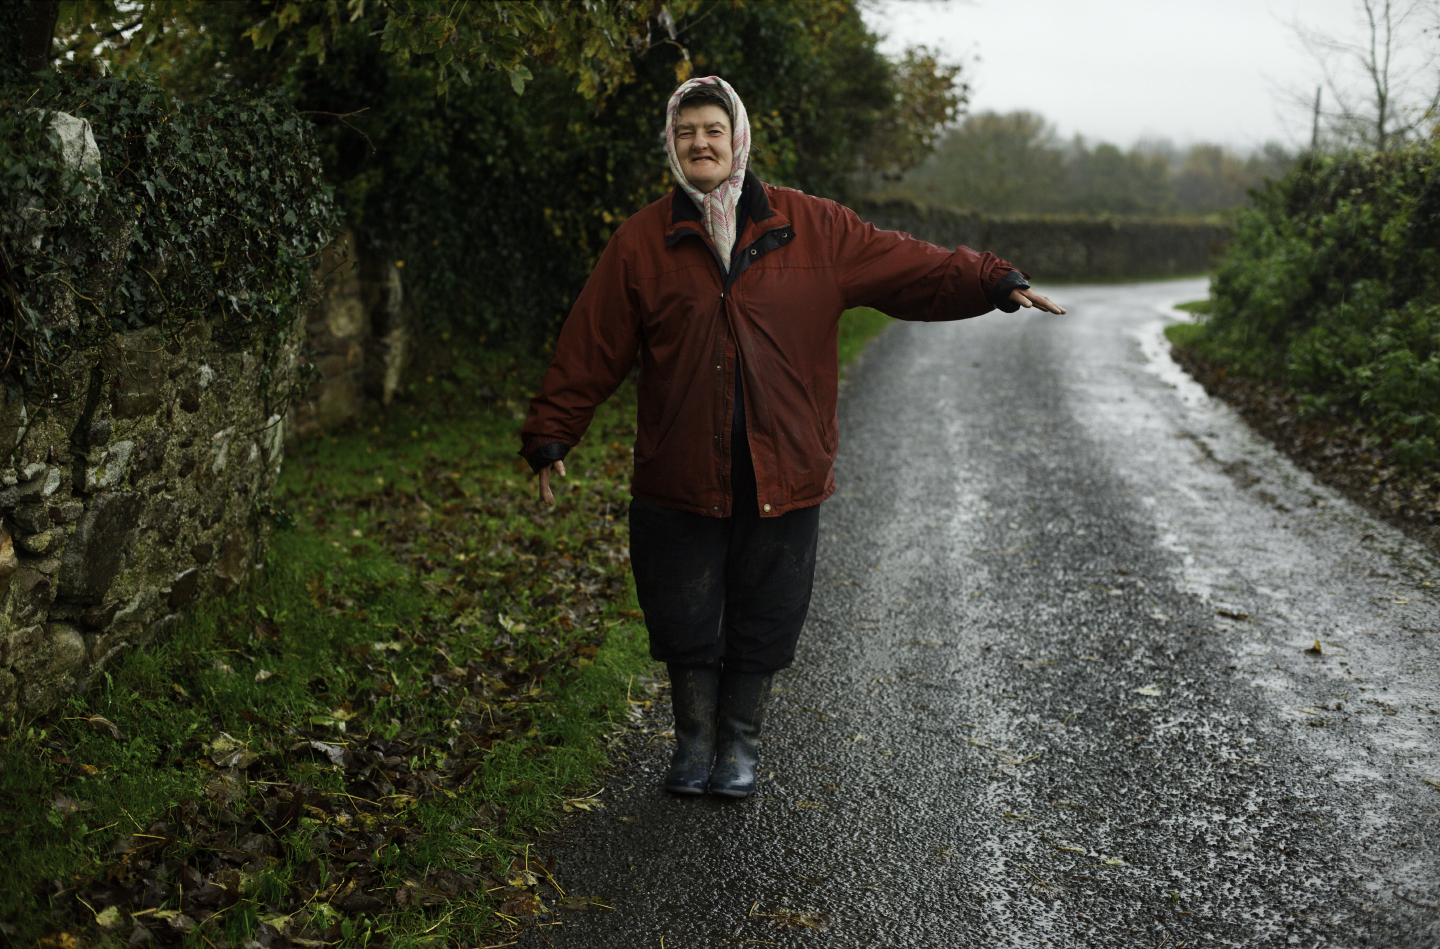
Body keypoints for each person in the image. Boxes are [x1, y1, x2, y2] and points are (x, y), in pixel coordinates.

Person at [519, 76, 1064, 800]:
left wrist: (992, 281)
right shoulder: (642, 241)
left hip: (783, 471)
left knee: (765, 611)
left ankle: (739, 746)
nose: (700, 143)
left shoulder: (815, 227)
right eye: (686, 133)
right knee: (681, 610)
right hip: (677, 471)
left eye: (713, 129)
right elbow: (593, 341)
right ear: (671, 145)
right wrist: (554, 430)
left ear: (738, 137)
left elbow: (908, 265)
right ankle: (693, 743)